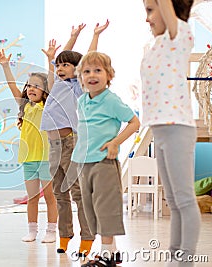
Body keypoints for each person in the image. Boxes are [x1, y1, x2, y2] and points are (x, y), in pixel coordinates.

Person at [40, 21, 109, 255]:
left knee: (78, 193)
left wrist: (92, 35)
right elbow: (58, 60)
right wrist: (71, 37)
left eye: (66, 65)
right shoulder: (57, 83)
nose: (59, 68)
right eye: (58, 65)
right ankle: (64, 235)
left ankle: (87, 238)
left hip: (71, 144)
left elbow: (89, 59)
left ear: (77, 69)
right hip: (53, 145)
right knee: (59, 192)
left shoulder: (78, 87)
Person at [141, 1, 200, 266]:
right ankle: (175, 257)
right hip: (160, 128)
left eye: (150, 10)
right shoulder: (155, 46)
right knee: (173, 201)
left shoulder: (181, 35)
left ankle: (184, 260)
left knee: (185, 200)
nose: (147, 19)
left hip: (177, 127)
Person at [72, 51, 140, 266]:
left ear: (109, 75)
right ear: (80, 77)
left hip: (103, 162)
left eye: (98, 70)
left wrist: (115, 143)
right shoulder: (82, 100)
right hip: (84, 162)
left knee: (105, 207)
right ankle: (113, 251)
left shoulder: (111, 100)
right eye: (87, 71)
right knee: (90, 208)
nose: (92, 75)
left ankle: (107, 255)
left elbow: (134, 123)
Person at [0, 48, 58, 243]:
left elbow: (53, 84)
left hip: (46, 158)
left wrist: (50, 61)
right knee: (32, 197)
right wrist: (5, 66)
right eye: (29, 85)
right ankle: (32, 230)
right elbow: (12, 86)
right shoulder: (25, 106)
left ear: (45, 90)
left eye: (37, 86)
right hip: (29, 159)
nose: (31, 88)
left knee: (49, 196)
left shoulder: (47, 106)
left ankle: (51, 231)